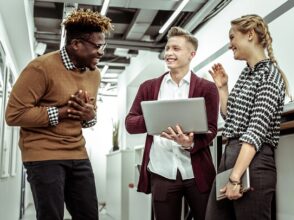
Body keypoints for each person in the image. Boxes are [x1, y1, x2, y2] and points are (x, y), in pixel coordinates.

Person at [5, 9, 113, 220]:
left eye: (103, 46)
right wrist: (62, 112)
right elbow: (14, 114)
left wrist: (90, 115)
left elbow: (86, 119)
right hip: (43, 155)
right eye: (98, 46)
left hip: (77, 154)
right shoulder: (40, 68)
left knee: (89, 216)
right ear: (76, 44)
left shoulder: (94, 74)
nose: (102, 52)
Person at [125, 26, 219, 220]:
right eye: (167, 48)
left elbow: (211, 130)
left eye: (176, 49)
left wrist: (190, 143)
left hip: (197, 172)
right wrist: (157, 117)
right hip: (161, 171)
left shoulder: (207, 88)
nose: (168, 53)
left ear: (191, 54)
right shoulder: (149, 87)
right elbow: (130, 123)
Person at [205, 14, 289, 220]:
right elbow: (230, 116)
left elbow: (255, 131)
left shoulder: (270, 75)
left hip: (253, 162)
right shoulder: (246, 74)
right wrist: (223, 88)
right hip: (230, 158)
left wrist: (235, 178)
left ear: (250, 34)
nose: (229, 45)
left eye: (232, 37)